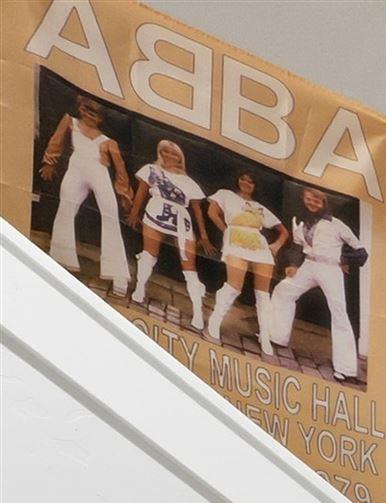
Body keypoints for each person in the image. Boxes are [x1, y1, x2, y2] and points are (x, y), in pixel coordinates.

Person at [263, 185, 364, 380]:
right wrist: (293, 264)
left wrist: (343, 260)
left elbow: (360, 252)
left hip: (330, 269)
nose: (312, 202)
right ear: (304, 198)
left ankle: (346, 368)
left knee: (339, 312)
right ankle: (277, 336)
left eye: (317, 200)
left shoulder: (337, 224)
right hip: (308, 266)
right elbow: (296, 246)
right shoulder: (300, 222)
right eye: (309, 198)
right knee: (284, 291)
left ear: (324, 202)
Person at [40, 97, 131, 295]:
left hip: (99, 174)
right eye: (87, 110)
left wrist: (124, 194)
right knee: (65, 209)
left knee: (110, 215)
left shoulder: (108, 141)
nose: (89, 115)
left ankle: (118, 274)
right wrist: (50, 161)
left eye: (94, 113)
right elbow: (56, 141)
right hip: (76, 170)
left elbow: (120, 168)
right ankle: (61, 258)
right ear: (81, 108)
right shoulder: (70, 122)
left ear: (100, 118)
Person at [201, 170, 284, 354]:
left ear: (255, 186)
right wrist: (226, 231)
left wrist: (276, 245)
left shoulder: (260, 207)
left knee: (263, 294)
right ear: (237, 180)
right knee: (234, 286)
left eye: (251, 181)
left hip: (259, 245)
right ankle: (214, 323)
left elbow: (283, 231)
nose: (246, 183)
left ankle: (265, 337)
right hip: (236, 239)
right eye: (243, 179)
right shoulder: (226, 194)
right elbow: (212, 212)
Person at [128, 138, 206, 329]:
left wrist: (203, 235)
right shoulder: (151, 170)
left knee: (189, 266)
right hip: (155, 212)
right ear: (160, 153)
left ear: (180, 158)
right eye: (165, 152)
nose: (169, 156)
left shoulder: (189, 182)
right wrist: (134, 212)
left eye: (174, 154)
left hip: (181, 219)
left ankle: (198, 310)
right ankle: (140, 289)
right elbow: (141, 192)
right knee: (148, 255)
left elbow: (197, 210)